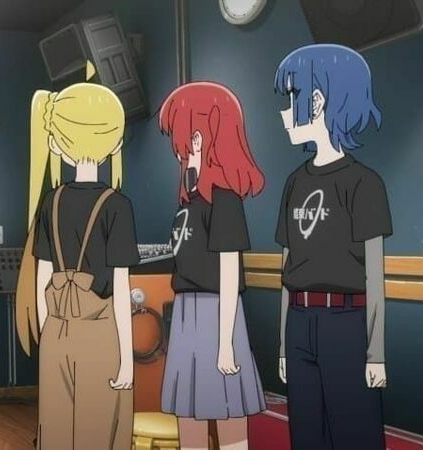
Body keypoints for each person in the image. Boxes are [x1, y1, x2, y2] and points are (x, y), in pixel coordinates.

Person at [273, 43, 391, 450]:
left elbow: (374, 276)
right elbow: (286, 269)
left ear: (318, 100)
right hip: (299, 322)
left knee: (354, 435)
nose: (284, 112)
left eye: (293, 97)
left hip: (346, 324)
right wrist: (284, 346)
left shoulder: (365, 183)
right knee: (306, 435)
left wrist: (376, 353)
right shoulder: (294, 182)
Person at [15, 71, 139, 450]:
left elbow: (43, 276)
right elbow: (121, 288)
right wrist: (127, 358)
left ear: (56, 143)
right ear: (115, 141)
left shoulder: (50, 201)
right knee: (99, 432)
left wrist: (48, 331)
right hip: (99, 333)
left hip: (56, 331)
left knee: (56, 431)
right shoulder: (117, 205)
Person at [158, 81, 267, 450]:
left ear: (199, 138)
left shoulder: (226, 200)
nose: (177, 150)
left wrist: (225, 344)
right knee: (188, 416)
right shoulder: (188, 202)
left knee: (227, 411)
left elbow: (229, 273)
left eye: (180, 139)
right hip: (186, 313)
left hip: (217, 314)